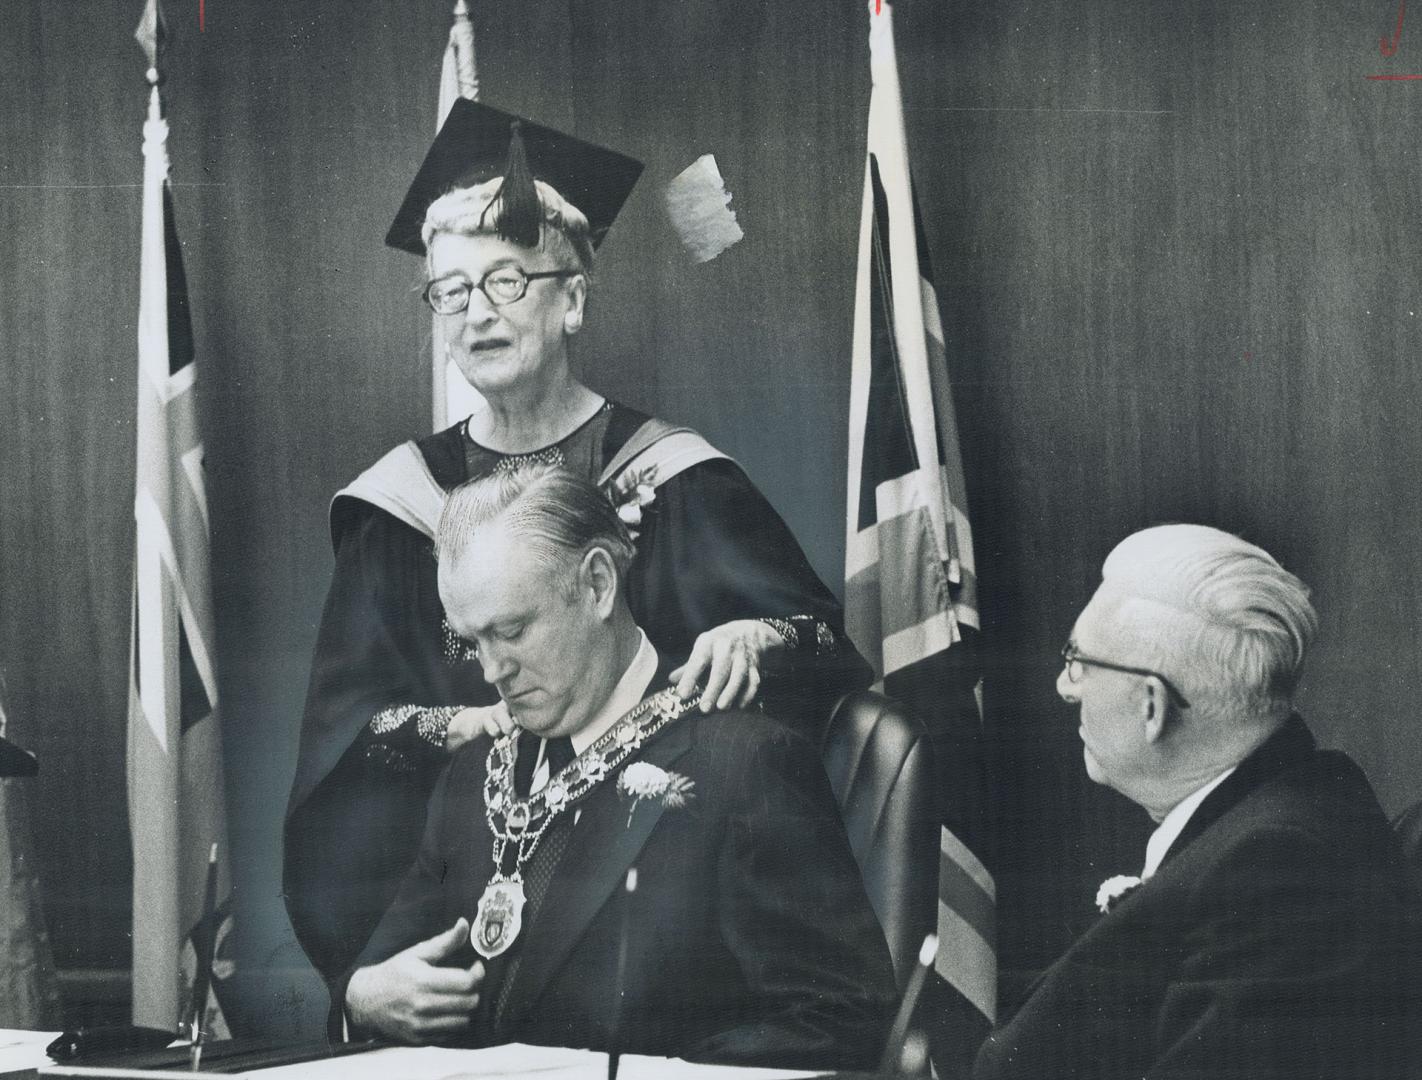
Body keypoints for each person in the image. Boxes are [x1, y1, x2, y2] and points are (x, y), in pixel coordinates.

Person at [284, 99, 872, 984]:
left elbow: (826, 648)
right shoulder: (396, 506)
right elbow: (344, 742)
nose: (477, 312)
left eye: (507, 281)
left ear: (573, 300)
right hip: (449, 897)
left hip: (640, 915)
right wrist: (472, 723)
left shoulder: (676, 480)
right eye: (450, 291)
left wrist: (759, 636)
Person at [335, 463, 896, 1070]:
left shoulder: (744, 764)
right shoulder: (473, 777)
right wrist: (361, 999)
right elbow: (380, 974)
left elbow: (840, 1018)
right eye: (473, 641)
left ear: (599, 584)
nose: (491, 670)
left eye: (513, 631)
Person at [974, 524, 1419, 1080]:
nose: (1066, 687)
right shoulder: (1278, 812)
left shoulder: (1278, 869)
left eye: (1078, 659)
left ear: (1151, 707)